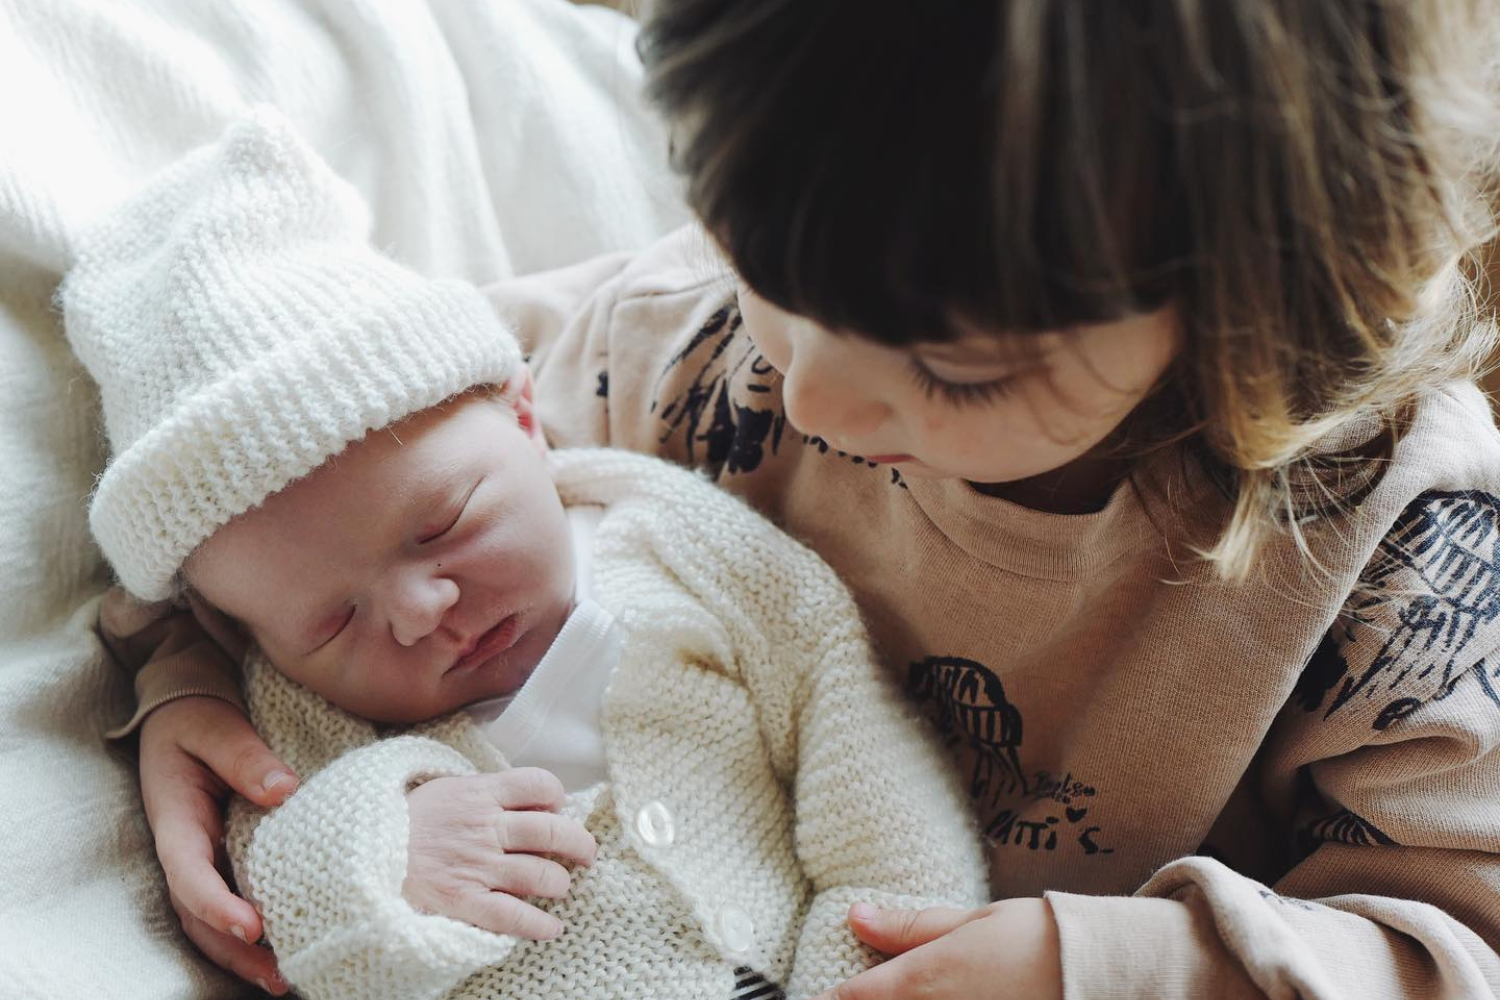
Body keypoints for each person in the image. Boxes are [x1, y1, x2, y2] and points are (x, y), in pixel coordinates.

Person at [110, 2, 1500, 998]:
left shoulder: (1403, 558)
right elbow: (304, 467)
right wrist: (208, 666)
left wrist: (1118, 966)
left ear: (1256, 305)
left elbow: (1464, 941)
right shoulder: (688, 337)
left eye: (953, 369)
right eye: (756, 268)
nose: (814, 400)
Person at [75, 110, 987, 1000]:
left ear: (522, 417)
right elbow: (274, 899)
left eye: (441, 526)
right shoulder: (303, 720)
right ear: (242, 632)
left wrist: (869, 969)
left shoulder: (688, 549)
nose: (420, 610)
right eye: (333, 620)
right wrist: (381, 854)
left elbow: (874, 788)